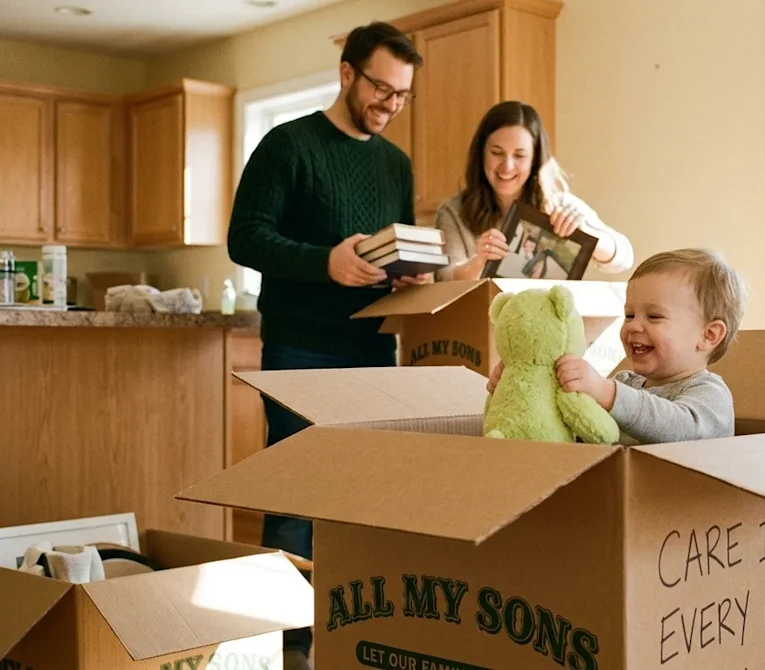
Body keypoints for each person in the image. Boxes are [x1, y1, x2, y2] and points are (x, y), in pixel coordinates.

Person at [225, 20, 425, 670]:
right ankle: (284, 649)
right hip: (300, 350)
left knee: (363, 498)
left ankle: (345, 640)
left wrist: (410, 269)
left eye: (401, 95)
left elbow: (398, 243)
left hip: (372, 351)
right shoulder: (289, 145)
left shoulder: (395, 163)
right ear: (347, 73)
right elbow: (246, 239)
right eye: (381, 88)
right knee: (297, 496)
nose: (390, 105)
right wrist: (324, 263)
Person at [487, 248, 748, 445]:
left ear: (709, 335)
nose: (634, 326)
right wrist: (528, 385)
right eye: (629, 315)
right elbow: (579, 427)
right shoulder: (625, 382)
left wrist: (609, 394)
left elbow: (684, 430)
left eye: (654, 316)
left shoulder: (709, 393)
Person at [434, 100, 634, 281]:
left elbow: (624, 259)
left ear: (535, 160)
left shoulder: (560, 205)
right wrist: (478, 263)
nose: (507, 166)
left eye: (520, 155)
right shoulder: (453, 212)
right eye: (497, 153)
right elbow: (443, 278)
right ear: (481, 153)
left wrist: (588, 234)